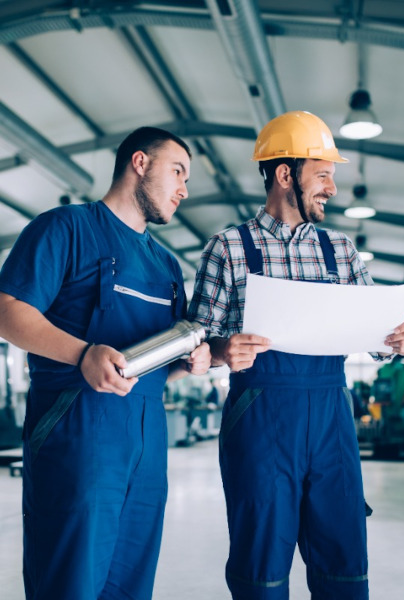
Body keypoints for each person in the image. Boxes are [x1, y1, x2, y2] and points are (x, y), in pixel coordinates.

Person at [188, 110, 404, 600]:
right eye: (324, 174)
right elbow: (194, 350)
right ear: (285, 174)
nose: (332, 187)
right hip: (260, 419)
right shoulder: (227, 249)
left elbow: (378, 341)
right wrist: (221, 350)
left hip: (333, 419)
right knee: (261, 561)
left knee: (343, 557)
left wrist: (397, 341)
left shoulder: (342, 251)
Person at [0, 126, 211, 600]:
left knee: (131, 581)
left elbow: (159, 362)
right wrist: (82, 353)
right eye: (177, 171)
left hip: (147, 449)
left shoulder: (167, 266)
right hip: (77, 438)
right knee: (70, 580)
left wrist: (193, 360)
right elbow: (8, 310)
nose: (184, 188)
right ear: (139, 163)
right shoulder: (66, 229)